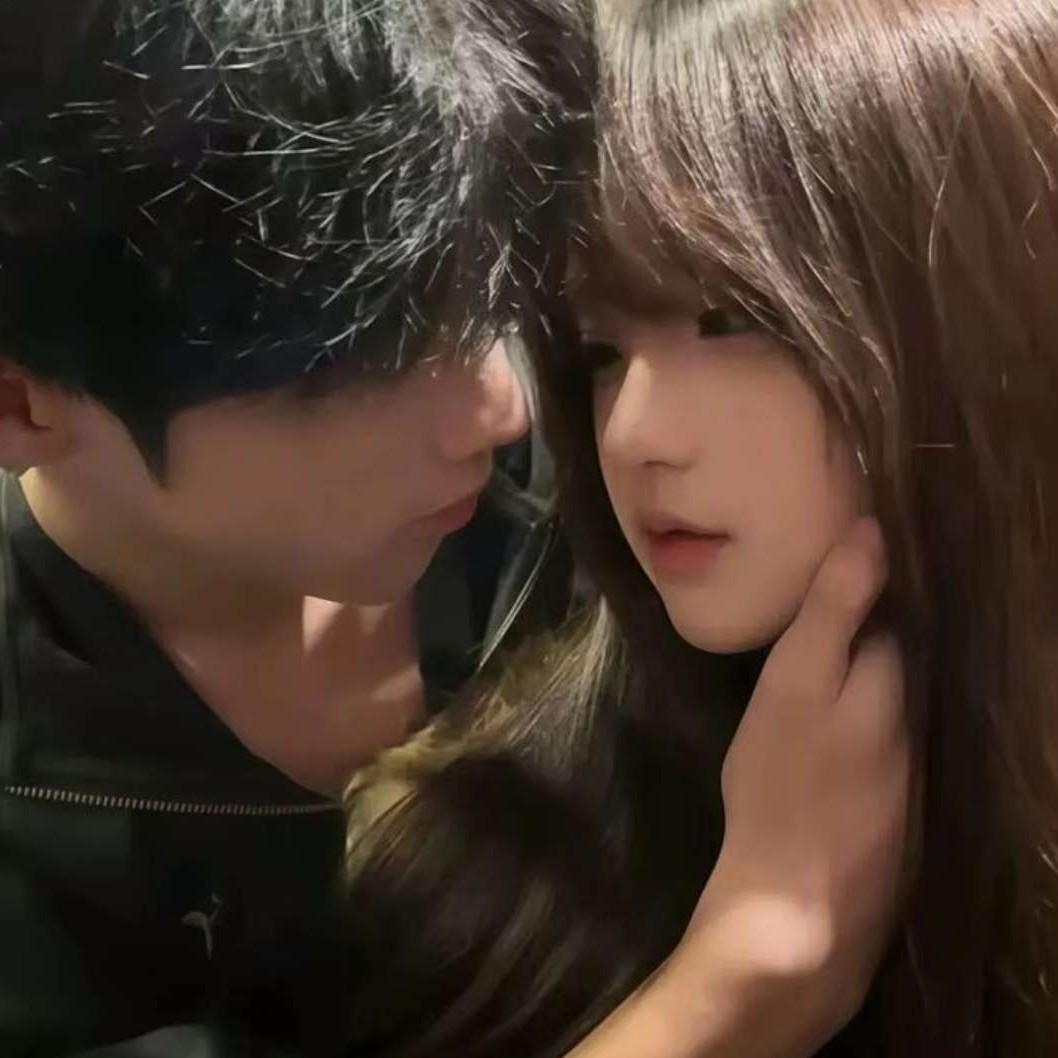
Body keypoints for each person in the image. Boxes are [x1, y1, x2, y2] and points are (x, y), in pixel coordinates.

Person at [0, 1, 906, 1056]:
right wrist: (741, 988)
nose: (501, 405)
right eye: (361, 358)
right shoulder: (35, 857)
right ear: (23, 405)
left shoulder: (586, 487)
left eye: (483, 296)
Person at [340, 0, 1058, 1056]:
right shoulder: (468, 871)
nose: (631, 434)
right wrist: (747, 979)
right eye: (599, 352)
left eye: (731, 319)